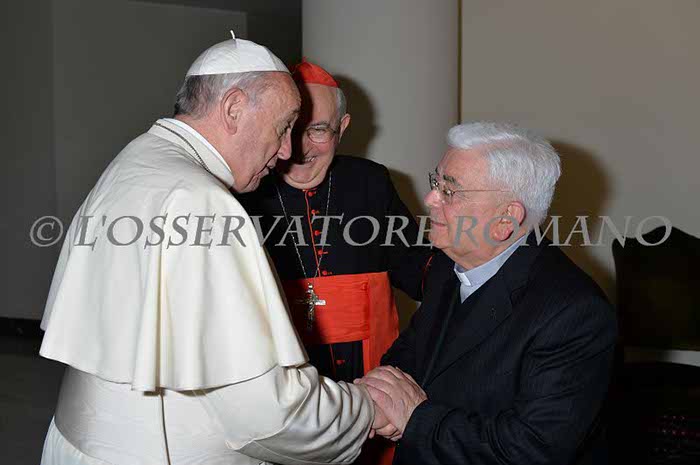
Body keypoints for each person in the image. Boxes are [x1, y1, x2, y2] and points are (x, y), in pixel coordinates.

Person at [39, 34, 385, 465]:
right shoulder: (204, 202)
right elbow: (269, 416)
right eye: (282, 127)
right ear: (234, 108)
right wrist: (366, 409)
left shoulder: (136, 158)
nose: (285, 151)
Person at [358, 122, 618, 465]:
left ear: (506, 219)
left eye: (450, 190)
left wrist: (414, 419)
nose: (430, 198)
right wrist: (377, 398)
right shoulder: (445, 264)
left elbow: (531, 450)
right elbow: (410, 355)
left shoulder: (576, 313)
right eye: (436, 182)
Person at [238, 58, 434, 465]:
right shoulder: (245, 190)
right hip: (285, 388)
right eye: (290, 129)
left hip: (372, 379)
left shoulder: (370, 182)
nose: (301, 148)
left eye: (319, 130)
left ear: (342, 128)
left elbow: (418, 270)